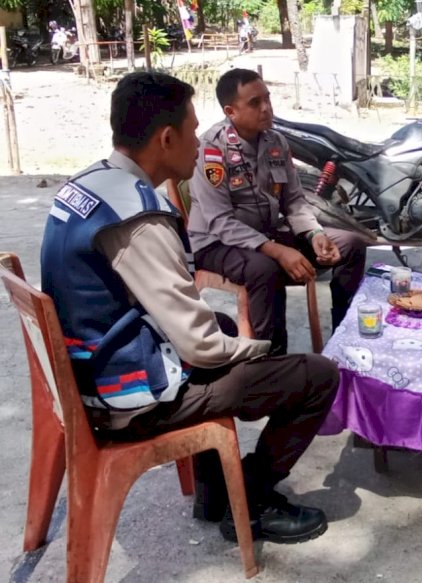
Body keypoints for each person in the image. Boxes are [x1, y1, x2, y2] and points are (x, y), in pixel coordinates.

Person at [39, 72, 339, 544]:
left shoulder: (92, 183)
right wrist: (258, 351)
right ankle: (255, 501)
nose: (198, 144)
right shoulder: (138, 217)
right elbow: (200, 347)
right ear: (165, 138)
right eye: (192, 130)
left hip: (89, 369)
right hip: (123, 398)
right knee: (316, 376)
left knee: (220, 322)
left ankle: (216, 490)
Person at [188, 68, 367, 356]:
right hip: (216, 243)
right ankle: (272, 360)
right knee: (265, 268)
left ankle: (343, 343)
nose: (266, 108)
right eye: (255, 103)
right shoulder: (211, 149)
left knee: (350, 244)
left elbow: (294, 200)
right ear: (231, 111)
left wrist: (314, 233)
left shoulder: (276, 143)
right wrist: (278, 251)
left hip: (267, 234)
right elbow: (220, 221)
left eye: (267, 99)